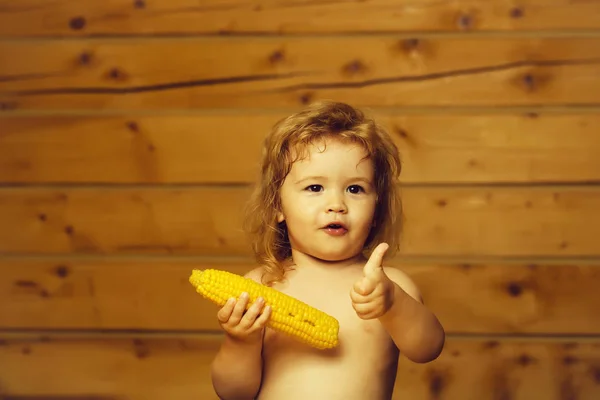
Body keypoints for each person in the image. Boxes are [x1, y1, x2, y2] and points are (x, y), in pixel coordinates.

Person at [210, 100, 445, 400]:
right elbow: (233, 393)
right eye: (315, 188)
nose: (337, 204)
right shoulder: (259, 286)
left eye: (355, 189)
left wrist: (394, 304)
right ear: (277, 206)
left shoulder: (387, 286)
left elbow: (429, 348)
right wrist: (240, 343)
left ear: (377, 207)